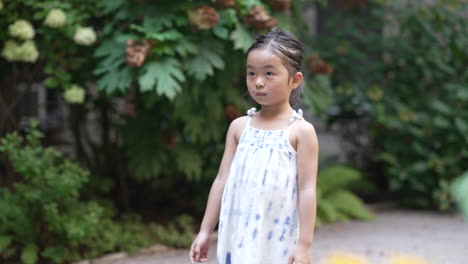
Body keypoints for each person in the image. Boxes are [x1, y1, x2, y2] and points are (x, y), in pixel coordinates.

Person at [190, 28, 319, 264]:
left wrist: (304, 245)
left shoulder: (301, 132)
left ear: (295, 80)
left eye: (269, 74)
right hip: (237, 235)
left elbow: (307, 190)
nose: (258, 82)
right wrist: (205, 231)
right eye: (251, 74)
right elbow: (221, 180)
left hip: (277, 238)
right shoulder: (239, 127)